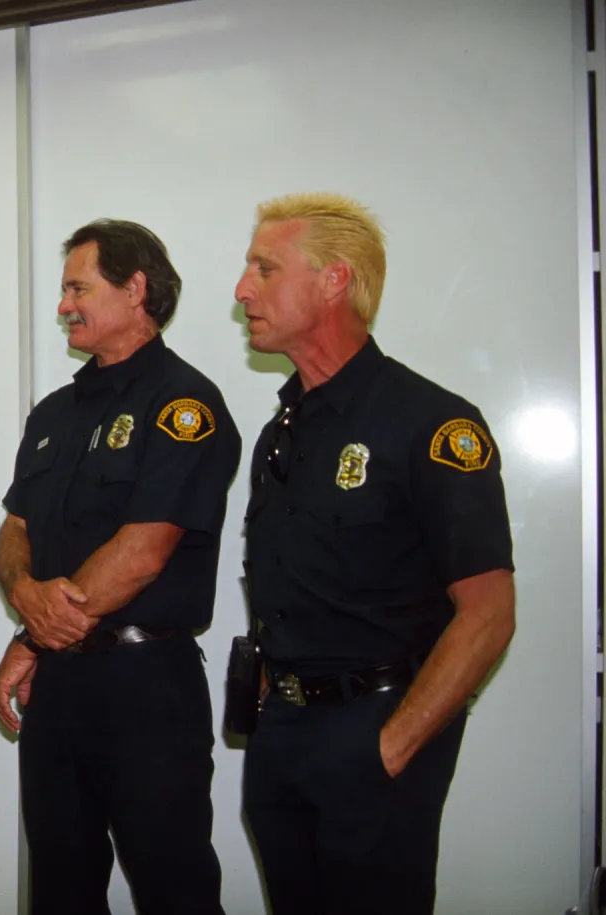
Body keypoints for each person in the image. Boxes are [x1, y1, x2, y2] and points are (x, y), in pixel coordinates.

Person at [235, 192, 515, 914]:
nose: (242, 290)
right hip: (285, 734)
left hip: (377, 729)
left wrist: (390, 747)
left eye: (266, 268)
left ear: (334, 281)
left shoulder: (431, 424)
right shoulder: (283, 432)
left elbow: (486, 615)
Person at [0, 219, 237, 914]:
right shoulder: (54, 413)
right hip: (59, 690)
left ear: (135, 290)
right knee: (60, 889)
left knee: (173, 887)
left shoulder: (184, 405)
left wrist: (33, 634)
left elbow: (144, 550)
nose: (64, 304)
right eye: (64, 289)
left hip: (144, 689)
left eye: (78, 286)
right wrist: (24, 598)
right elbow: (16, 530)